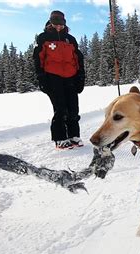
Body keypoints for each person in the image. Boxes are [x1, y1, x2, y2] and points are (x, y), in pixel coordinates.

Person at [33, 10, 85, 150]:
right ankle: (60, 138)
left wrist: (81, 76)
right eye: (55, 24)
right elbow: (38, 59)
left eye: (60, 24)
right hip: (53, 77)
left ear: (64, 24)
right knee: (60, 109)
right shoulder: (44, 38)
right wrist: (41, 77)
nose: (58, 27)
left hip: (71, 77)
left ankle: (74, 136)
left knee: (73, 108)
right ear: (51, 22)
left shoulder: (70, 39)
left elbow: (78, 59)